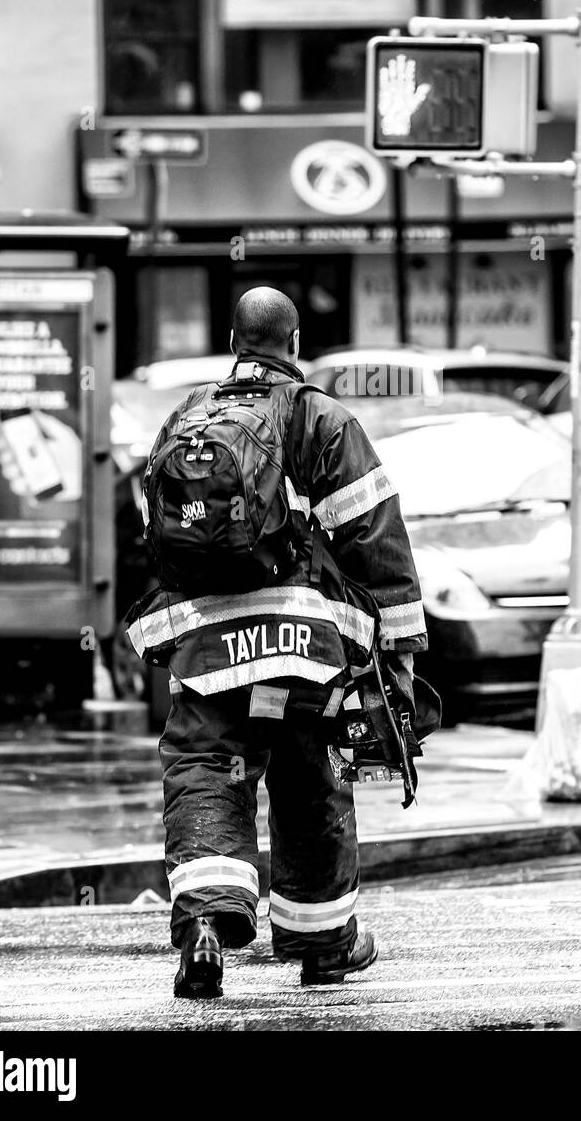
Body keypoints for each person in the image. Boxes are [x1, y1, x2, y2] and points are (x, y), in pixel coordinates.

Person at [134, 288, 427, 997]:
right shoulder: (321, 419)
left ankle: (205, 925)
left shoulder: (187, 419)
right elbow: (373, 536)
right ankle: (324, 947)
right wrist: (403, 650)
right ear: (293, 344)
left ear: (234, 339)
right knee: (310, 780)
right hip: (304, 652)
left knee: (207, 770)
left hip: (205, 652)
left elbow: (157, 539)